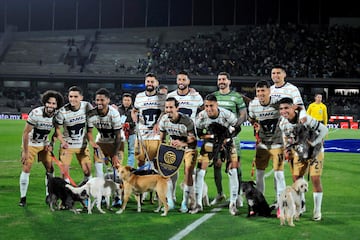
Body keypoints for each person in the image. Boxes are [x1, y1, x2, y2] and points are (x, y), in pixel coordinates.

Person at [191, 94, 242, 215]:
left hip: (227, 143)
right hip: (209, 144)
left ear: (217, 104)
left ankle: (233, 204)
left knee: (233, 171)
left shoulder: (227, 114)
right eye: (206, 106)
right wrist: (211, 137)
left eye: (211, 106)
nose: (208, 109)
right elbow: (198, 133)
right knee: (200, 172)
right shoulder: (201, 116)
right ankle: (198, 204)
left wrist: (226, 138)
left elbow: (238, 128)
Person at [278, 97, 328, 221]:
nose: (284, 111)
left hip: (315, 152)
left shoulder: (306, 119)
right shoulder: (282, 123)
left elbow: (324, 130)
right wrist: (287, 150)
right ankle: (300, 207)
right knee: (297, 180)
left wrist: (314, 142)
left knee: (315, 179)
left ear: (293, 108)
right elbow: (287, 139)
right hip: (300, 152)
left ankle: (317, 211)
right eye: (281, 109)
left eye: (286, 108)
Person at [248, 80, 286, 218]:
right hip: (262, 144)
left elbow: (288, 110)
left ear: (269, 91)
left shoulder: (278, 103)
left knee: (279, 175)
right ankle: (259, 203)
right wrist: (255, 126)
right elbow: (252, 118)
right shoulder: (253, 105)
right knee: (259, 175)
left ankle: (281, 205)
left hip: (277, 143)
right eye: (258, 91)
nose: (260, 94)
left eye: (263, 91)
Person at [19, 90, 64, 207]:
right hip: (31, 143)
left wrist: (51, 144)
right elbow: (25, 133)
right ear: (45, 103)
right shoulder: (36, 113)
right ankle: (23, 198)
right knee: (27, 167)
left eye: (54, 104)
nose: (51, 105)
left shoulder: (57, 115)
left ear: (57, 105)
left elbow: (57, 132)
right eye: (49, 103)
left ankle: (49, 195)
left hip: (44, 144)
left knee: (50, 169)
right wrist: (25, 151)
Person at [167, 70, 203, 203]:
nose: (181, 82)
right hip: (174, 138)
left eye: (184, 80)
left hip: (189, 139)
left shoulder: (196, 97)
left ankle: (189, 198)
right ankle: (172, 196)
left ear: (188, 81)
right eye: (179, 80)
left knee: (189, 170)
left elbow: (203, 109)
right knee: (172, 169)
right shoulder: (170, 96)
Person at [270, 65, 304, 206]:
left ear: (284, 75)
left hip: (290, 133)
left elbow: (300, 106)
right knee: (277, 168)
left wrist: (286, 114)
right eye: (273, 73)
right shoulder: (270, 90)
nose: (275, 75)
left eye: (278, 73)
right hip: (275, 133)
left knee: (294, 169)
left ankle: (301, 202)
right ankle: (281, 199)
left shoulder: (292, 89)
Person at [212, 71, 247, 207]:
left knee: (235, 165)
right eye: (219, 79)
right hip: (217, 138)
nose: (221, 81)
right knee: (217, 165)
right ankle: (220, 193)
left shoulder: (236, 97)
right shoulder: (213, 96)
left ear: (229, 82)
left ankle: (237, 195)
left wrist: (234, 126)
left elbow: (243, 114)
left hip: (232, 136)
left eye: (224, 79)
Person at [159, 97, 197, 213]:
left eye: (171, 107)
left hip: (188, 148)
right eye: (167, 107)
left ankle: (185, 202)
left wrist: (182, 143)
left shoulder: (187, 121)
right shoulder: (164, 120)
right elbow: (162, 138)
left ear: (177, 108)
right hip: (173, 148)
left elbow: (193, 139)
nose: (169, 110)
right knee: (167, 172)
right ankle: (170, 201)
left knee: (188, 172)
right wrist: (163, 149)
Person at [54, 86, 93, 185]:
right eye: (71, 96)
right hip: (67, 146)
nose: (72, 99)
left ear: (81, 97)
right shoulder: (62, 112)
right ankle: (66, 195)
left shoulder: (87, 106)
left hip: (82, 146)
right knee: (64, 173)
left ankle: (84, 191)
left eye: (75, 96)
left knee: (87, 171)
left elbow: (96, 116)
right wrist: (62, 142)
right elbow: (57, 130)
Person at [132, 73, 166, 167]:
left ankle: (154, 181)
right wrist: (134, 116)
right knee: (140, 162)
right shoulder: (139, 97)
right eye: (148, 81)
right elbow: (134, 110)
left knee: (156, 162)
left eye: (152, 81)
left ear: (157, 83)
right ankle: (143, 181)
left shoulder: (162, 97)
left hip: (156, 136)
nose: (150, 83)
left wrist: (158, 123)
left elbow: (166, 112)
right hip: (141, 135)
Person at [86, 88, 122, 178]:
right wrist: (92, 143)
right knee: (98, 165)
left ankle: (116, 190)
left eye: (102, 100)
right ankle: (100, 188)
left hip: (116, 141)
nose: (99, 102)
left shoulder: (114, 113)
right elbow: (89, 132)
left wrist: (114, 155)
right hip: (101, 140)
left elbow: (118, 136)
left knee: (117, 169)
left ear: (108, 100)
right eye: (97, 100)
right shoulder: (91, 114)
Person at [117, 93, 136, 168]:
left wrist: (128, 125)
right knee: (119, 151)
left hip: (131, 133)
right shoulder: (118, 109)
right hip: (120, 133)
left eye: (128, 100)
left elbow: (136, 122)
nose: (126, 102)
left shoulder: (134, 110)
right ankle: (118, 167)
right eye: (125, 100)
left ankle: (129, 167)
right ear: (122, 101)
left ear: (131, 101)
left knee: (131, 151)